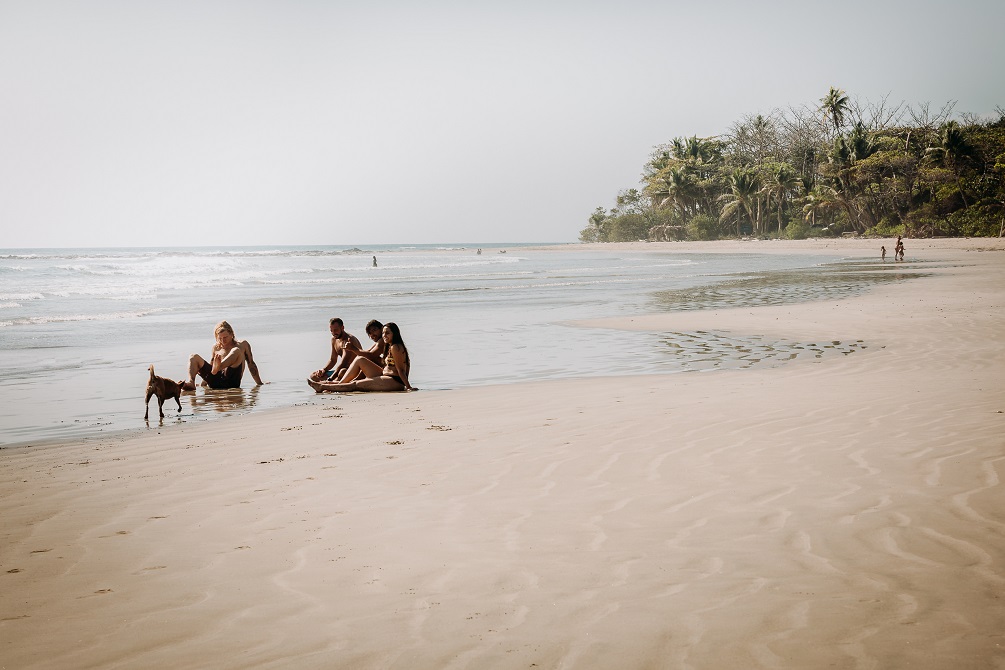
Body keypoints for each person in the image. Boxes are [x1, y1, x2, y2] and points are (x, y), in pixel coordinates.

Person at [308, 322, 414, 392]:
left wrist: (408, 387)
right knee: (360, 360)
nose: (384, 336)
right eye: (383, 333)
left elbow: (401, 369)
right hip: (384, 374)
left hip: (394, 380)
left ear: (394, 334)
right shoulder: (389, 345)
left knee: (356, 384)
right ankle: (332, 385)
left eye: (387, 333)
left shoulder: (396, 347)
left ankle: (323, 386)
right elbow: (368, 354)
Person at [183, 320, 264, 390]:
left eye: (225, 337)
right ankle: (191, 383)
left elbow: (251, 364)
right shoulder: (216, 347)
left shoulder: (242, 345)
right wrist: (203, 384)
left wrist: (259, 383)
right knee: (193, 357)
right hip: (215, 381)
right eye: (220, 338)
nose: (223, 341)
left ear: (232, 334)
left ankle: (219, 367)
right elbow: (211, 367)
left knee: (236, 350)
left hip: (232, 381)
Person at [310, 318, 363, 382]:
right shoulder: (334, 340)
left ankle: (331, 384)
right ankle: (333, 383)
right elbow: (333, 360)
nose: (333, 333)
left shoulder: (348, 340)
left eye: (336, 330)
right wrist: (324, 370)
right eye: (331, 331)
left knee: (342, 372)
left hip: (355, 372)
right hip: (342, 370)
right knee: (313, 375)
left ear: (342, 328)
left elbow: (344, 363)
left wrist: (331, 378)